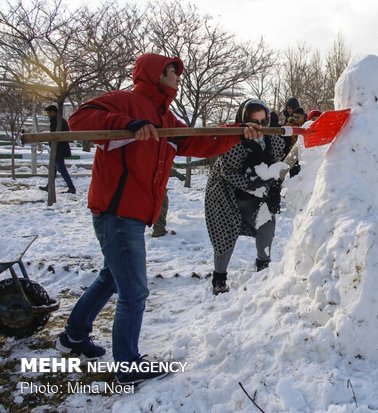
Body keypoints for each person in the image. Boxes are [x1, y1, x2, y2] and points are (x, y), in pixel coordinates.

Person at [56, 53, 262, 385]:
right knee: (134, 292)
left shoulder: (165, 117)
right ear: (154, 74)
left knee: (112, 278)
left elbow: (197, 141)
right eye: (170, 72)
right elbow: (80, 118)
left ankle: (73, 338)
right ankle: (127, 367)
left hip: (131, 213)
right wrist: (127, 124)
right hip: (118, 211)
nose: (177, 77)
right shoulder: (127, 102)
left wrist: (237, 132)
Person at [205, 98, 287, 295]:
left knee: (267, 225)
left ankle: (263, 264)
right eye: (254, 122)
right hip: (226, 196)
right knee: (225, 236)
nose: (259, 127)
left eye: (263, 121)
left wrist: (272, 184)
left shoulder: (273, 139)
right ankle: (219, 277)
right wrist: (251, 185)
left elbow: (276, 165)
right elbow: (227, 171)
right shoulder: (231, 139)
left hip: (258, 197)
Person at [39, 105, 76, 194]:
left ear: (53, 112)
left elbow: (55, 136)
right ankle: (49, 186)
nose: (48, 114)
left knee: (62, 170)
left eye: (49, 112)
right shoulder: (60, 120)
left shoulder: (57, 121)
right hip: (58, 150)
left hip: (58, 150)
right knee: (53, 169)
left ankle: (71, 188)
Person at [151, 168, 186, 238]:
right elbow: (162, 168)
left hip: (146, 185)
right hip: (156, 187)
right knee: (161, 207)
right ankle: (159, 230)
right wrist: (176, 174)